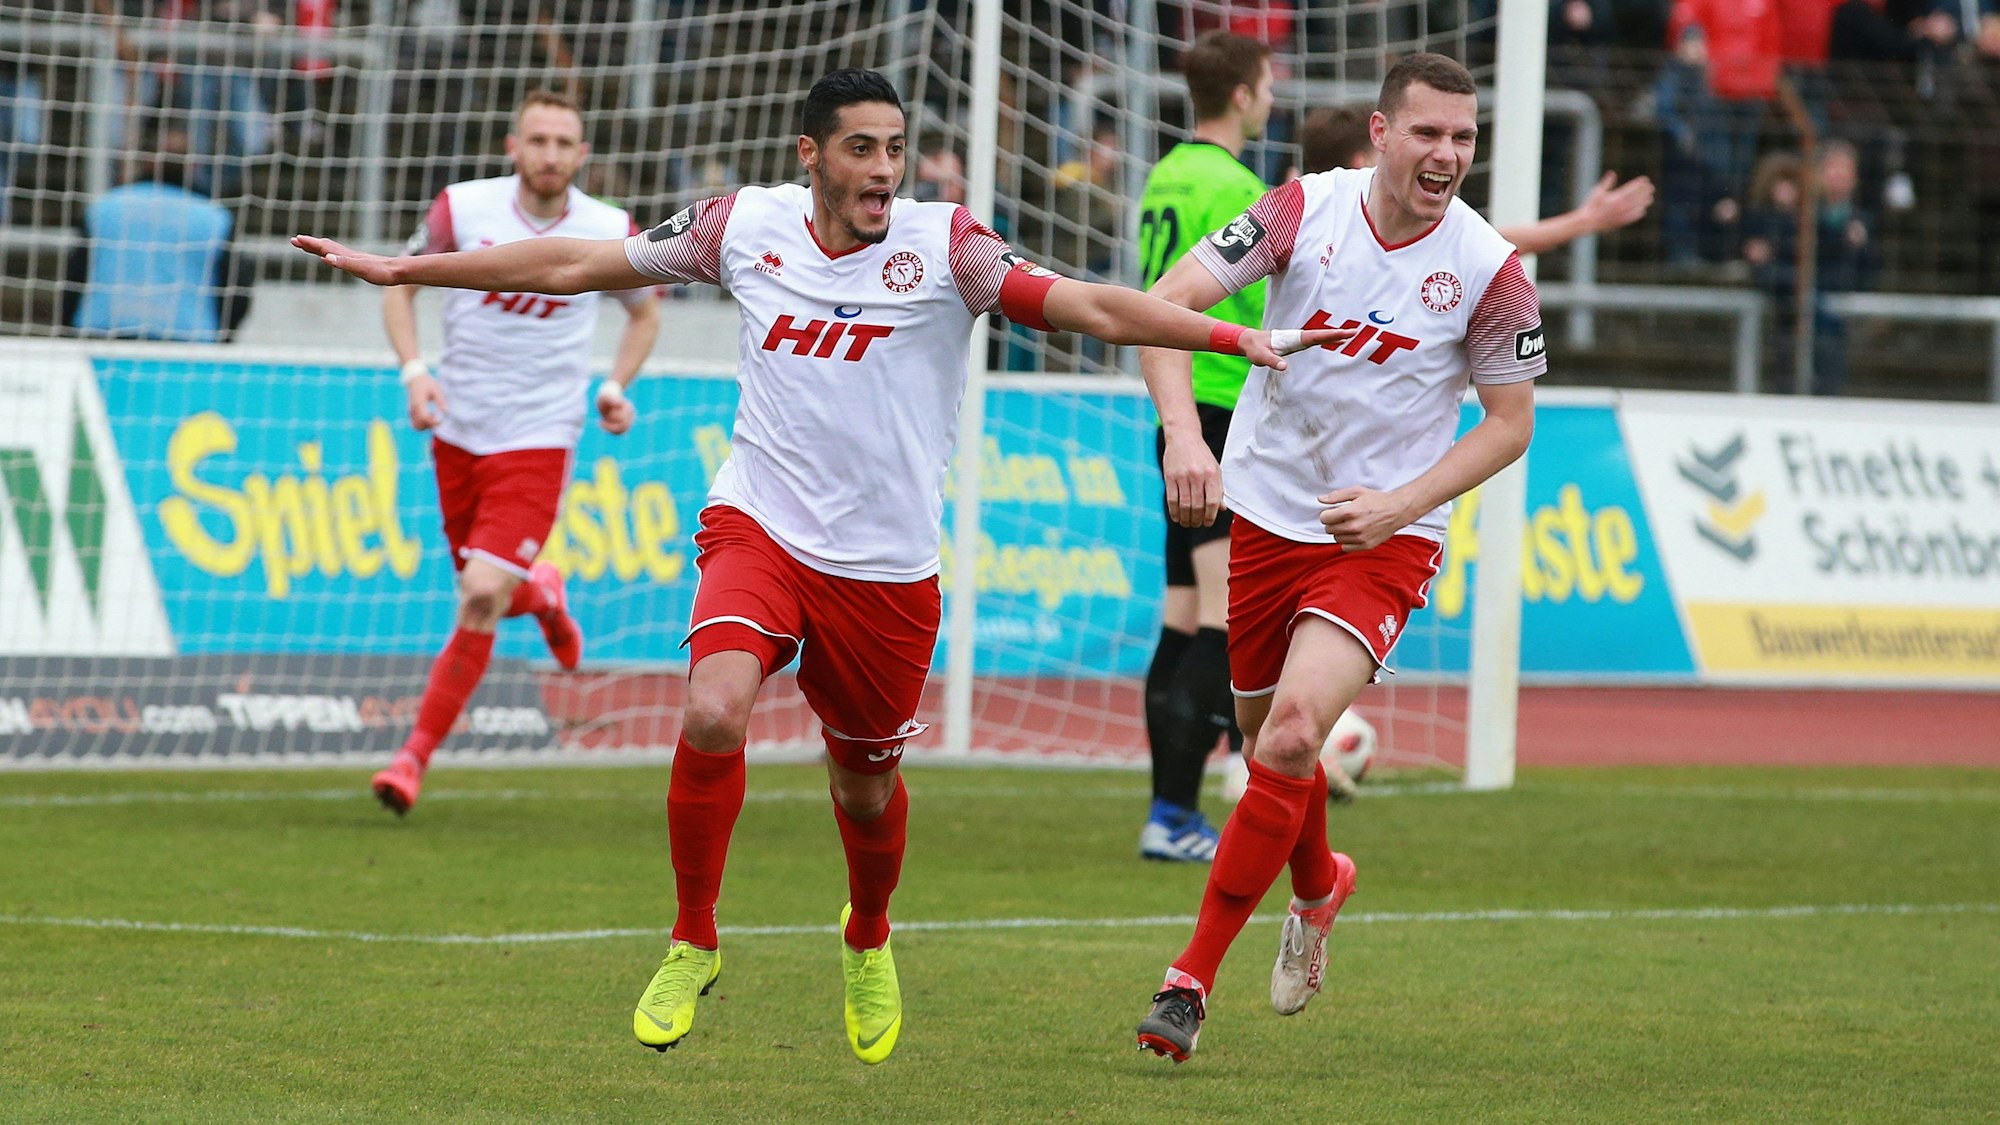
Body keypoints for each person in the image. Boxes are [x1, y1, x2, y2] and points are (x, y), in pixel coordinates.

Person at [294, 67, 1338, 1066]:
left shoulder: (950, 249)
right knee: (710, 710)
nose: (887, 170)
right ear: (812, 156)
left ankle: (868, 934)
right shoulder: (737, 227)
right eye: (862, 151)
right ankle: (693, 940)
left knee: (867, 785)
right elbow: (573, 263)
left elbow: (1090, 305)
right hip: (760, 528)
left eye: (895, 150)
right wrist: (406, 271)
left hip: (883, 570)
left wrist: (1219, 332)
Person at [1131, 52, 1544, 1063]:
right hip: (1266, 514)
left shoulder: (1486, 268)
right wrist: (1187, 437)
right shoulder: (1296, 212)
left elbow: (1508, 424)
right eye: (1427, 133)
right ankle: (1319, 885)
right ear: (1378, 133)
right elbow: (1163, 306)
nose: (1446, 154)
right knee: (1271, 734)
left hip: (1381, 537)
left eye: (1462, 137)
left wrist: (1400, 504)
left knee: (1287, 737)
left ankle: (1185, 982)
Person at [365, 89, 661, 816]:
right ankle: (545, 592)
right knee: (485, 586)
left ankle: (411, 759)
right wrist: (414, 371)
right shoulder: (463, 210)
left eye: (565, 143)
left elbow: (646, 310)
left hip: (539, 437)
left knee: (476, 595)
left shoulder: (606, 227)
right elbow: (399, 288)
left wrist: (616, 385)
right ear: (513, 146)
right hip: (458, 430)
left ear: (582, 154)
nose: (551, 155)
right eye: (539, 140)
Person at [1132, 30, 1281, 865]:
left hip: (1173, 411)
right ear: (1244, 94)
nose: (1271, 96)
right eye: (1266, 83)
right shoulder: (1236, 186)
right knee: (1223, 619)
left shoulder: (1167, 171)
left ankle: (1170, 811)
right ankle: (1178, 813)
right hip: (1220, 413)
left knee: (1182, 613)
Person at [1297, 105, 1655, 256]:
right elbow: (1501, 243)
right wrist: (1585, 221)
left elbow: (1491, 245)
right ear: (1363, 161)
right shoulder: (1309, 232)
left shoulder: (1297, 218)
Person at [64, 125, 253, 342]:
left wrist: (68, 328)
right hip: (187, 340)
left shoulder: (104, 208)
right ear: (193, 165)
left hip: (104, 333)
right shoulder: (215, 219)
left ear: (145, 159)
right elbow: (237, 288)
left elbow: (75, 275)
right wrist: (223, 338)